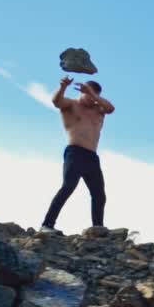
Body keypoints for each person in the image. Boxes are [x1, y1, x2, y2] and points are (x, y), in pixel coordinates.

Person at [40, 77, 115, 233]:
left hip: (92, 157)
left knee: (99, 194)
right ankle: (47, 225)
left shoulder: (99, 109)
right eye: (86, 92)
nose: (88, 96)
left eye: (92, 94)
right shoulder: (72, 105)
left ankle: (97, 229)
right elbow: (56, 102)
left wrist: (93, 96)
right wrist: (62, 87)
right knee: (68, 187)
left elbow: (111, 108)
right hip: (75, 152)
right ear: (81, 92)